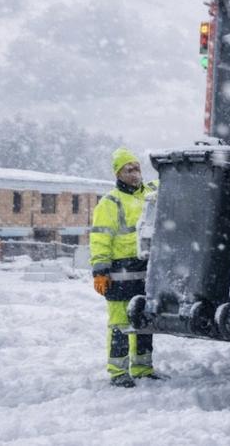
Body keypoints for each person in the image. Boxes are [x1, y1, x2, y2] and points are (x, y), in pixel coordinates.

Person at [90, 147, 159, 388]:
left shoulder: (151, 192)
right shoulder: (110, 202)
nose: (134, 173)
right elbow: (100, 238)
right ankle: (118, 372)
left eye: (137, 167)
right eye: (128, 169)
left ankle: (142, 367)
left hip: (145, 269)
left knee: (143, 320)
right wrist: (100, 271)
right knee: (120, 324)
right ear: (118, 174)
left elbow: (170, 181)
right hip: (119, 272)